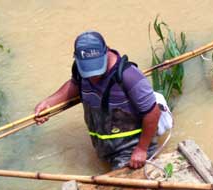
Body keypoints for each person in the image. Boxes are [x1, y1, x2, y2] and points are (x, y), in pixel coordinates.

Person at [33, 31, 161, 170]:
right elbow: (75, 85)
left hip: (131, 148)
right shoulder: (79, 69)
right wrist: (49, 103)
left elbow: (153, 113)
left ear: (106, 52)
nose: (93, 77)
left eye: (97, 70)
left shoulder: (129, 76)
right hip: (105, 147)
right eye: (89, 72)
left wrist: (141, 149)